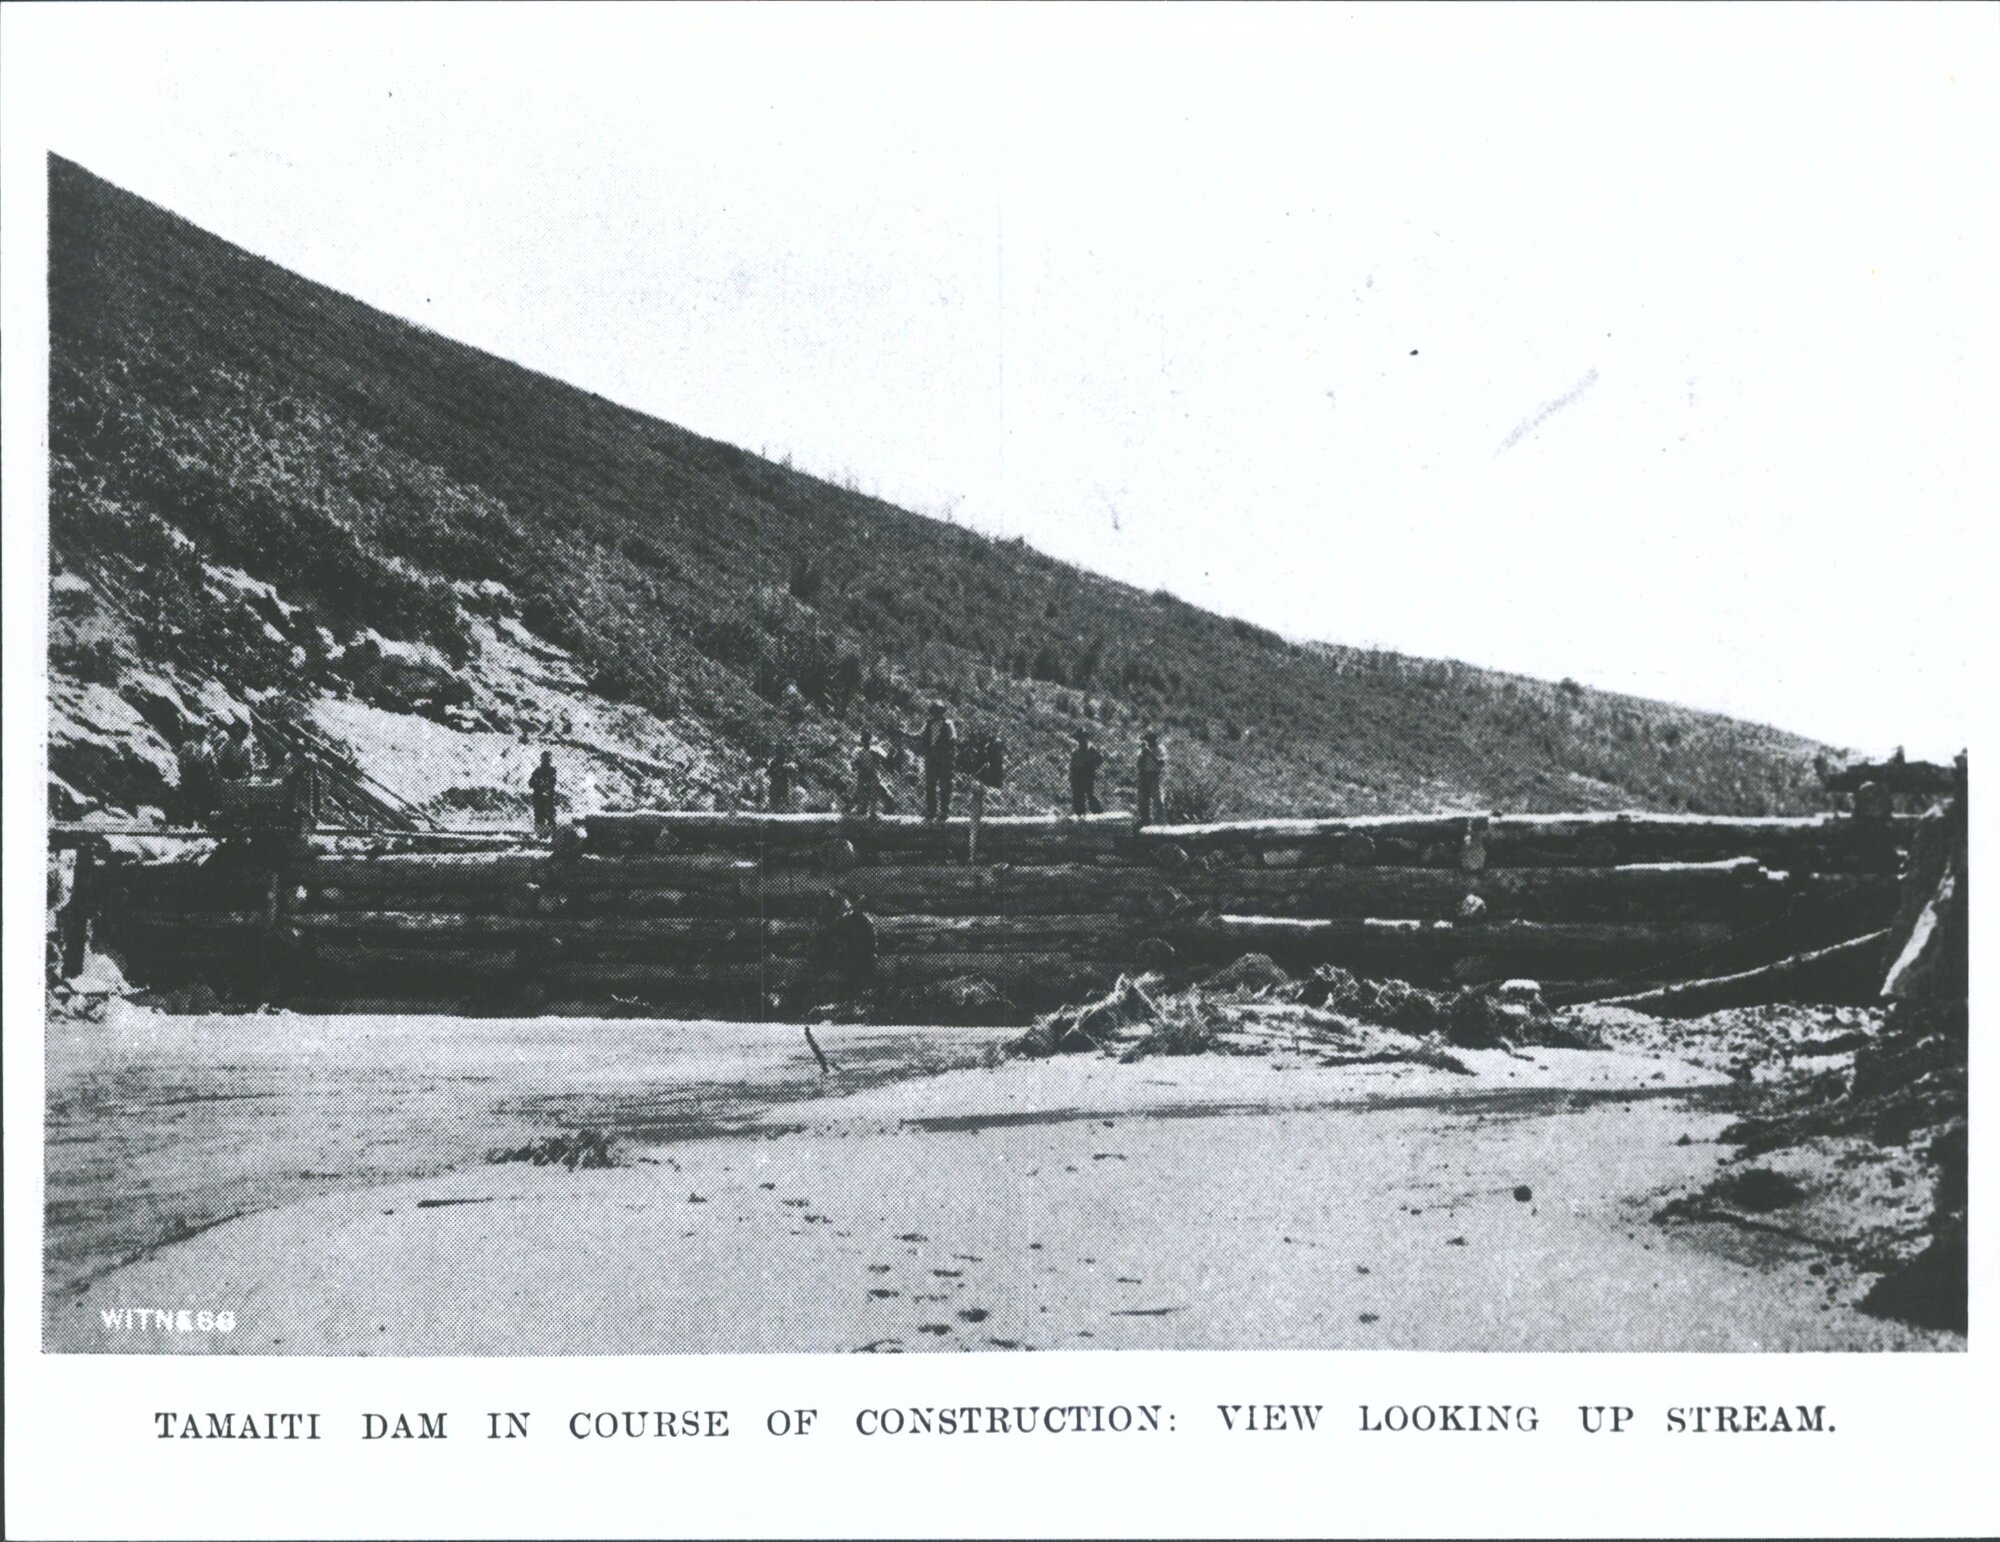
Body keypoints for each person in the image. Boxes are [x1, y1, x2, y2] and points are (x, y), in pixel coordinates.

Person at [906, 701, 957, 821]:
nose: (936, 714)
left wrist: (945, 751)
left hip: (944, 758)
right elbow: (921, 736)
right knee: (930, 785)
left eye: (938, 712)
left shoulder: (948, 723)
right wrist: (906, 734)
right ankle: (931, 811)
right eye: (934, 712)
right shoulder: (928, 724)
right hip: (931, 757)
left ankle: (944, 811)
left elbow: (953, 739)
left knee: (945, 785)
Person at [966, 731, 1005, 862]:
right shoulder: (986, 763)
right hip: (981, 797)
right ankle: (973, 856)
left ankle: (976, 855)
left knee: (979, 827)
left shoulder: (992, 764)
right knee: (975, 826)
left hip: (986, 797)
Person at [851, 731, 891, 818]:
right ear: (862, 741)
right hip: (862, 773)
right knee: (861, 791)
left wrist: (878, 758)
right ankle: (861, 809)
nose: (866, 741)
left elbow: (885, 759)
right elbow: (855, 763)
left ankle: (872, 812)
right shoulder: (858, 751)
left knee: (874, 791)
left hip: (873, 772)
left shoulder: (876, 749)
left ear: (870, 740)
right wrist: (861, 768)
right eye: (864, 739)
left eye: (867, 739)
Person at [1068, 729, 1104, 817]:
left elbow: (1099, 760)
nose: (1080, 741)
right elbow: (1073, 764)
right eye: (1079, 739)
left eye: (1082, 738)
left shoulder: (1091, 749)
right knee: (1078, 795)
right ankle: (1080, 812)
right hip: (1077, 775)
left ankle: (1096, 811)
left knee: (1090, 794)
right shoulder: (1075, 751)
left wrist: (1092, 765)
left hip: (1087, 774)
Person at [1136, 730, 1167, 826]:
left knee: (1158, 800)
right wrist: (1143, 755)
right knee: (1142, 800)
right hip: (1144, 776)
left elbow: (1161, 763)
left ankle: (1160, 822)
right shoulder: (1142, 749)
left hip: (1155, 776)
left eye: (1149, 740)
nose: (1147, 742)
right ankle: (1145, 821)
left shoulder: (1160, 749)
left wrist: (1150, 754)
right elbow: (1139, 765)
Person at [529, 750, 559, 838]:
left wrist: (541, 786)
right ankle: (542, 834)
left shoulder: (551, 770)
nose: (545, 760)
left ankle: (549, 833)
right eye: (544, 758)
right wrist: (538, 786)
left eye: (547, 758)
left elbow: (552, 782)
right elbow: (531, 782)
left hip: (546, 795)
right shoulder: (538, 771)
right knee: (540, 814)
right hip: (540, 795)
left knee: (548, 814)